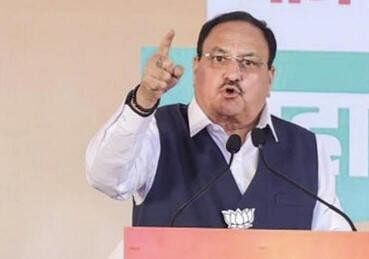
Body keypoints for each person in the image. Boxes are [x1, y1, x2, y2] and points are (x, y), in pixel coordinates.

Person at [86, 11, 350, 230]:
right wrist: (143, 100)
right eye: (219, 59)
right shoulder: (157, 129)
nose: (233, 73)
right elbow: (105, 177)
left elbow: (336, 242)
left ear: (270, 77)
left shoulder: (306, 148)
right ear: (196, 66)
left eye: (248, 62)